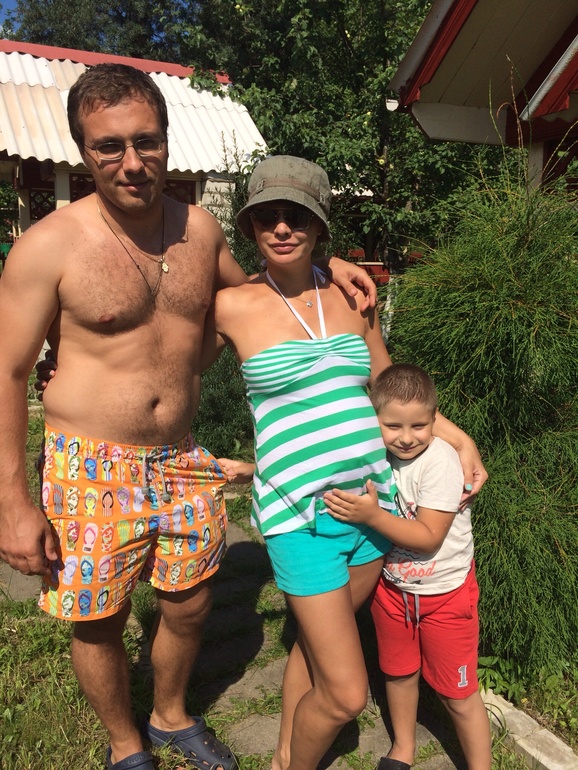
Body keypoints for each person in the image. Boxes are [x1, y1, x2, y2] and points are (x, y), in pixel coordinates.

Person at [0, 64, 382, 770]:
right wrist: (12, 501)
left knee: (190, 602)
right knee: (99, 617)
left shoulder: (199, 231)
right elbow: (8, 372)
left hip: (180, 455)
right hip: (91, 461)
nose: (131, 161)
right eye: (109, 145)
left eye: (146, 141)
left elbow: (269, 291)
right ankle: (125, 745)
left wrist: (330, 270)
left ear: (167, 141)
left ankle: (170, 715)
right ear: (83, 150)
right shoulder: (48, 245)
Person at [202, 156, 488, 770]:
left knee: (313, 648)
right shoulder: (231, 305)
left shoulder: (353, 298)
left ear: (320, 225)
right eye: (267, 217)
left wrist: (459, 438)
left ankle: (285, 753)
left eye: (298, 216)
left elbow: (387, 385)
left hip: (369, 510)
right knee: (347, 694)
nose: (282, 228)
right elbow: (170, 361)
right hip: (297, 517)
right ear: (250, 226)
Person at [324, 363, 492, 770]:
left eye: (419, 425)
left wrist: (371, 516)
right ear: (375, 420)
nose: (406, 437)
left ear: (435, 419)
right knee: (398, 674)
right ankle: (403, 746)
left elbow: (429, 535)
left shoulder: (441, 461)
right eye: (393, 426)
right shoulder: (375, 455)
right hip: (393, 591)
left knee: (458, 694)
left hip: (446, 595)